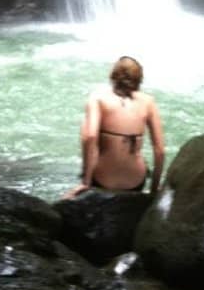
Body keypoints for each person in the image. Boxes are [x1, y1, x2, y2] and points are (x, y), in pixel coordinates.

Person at [64, 56, 166, 198]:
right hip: (135, 181)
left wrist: (86, 181)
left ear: (114, 76)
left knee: (85, 125)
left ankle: (88, 179)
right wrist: (154, 188)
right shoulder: (148, 102)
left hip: (103, 179)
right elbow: (159, 150)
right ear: (138, 79)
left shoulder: (98, 98)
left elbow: (90, 137)